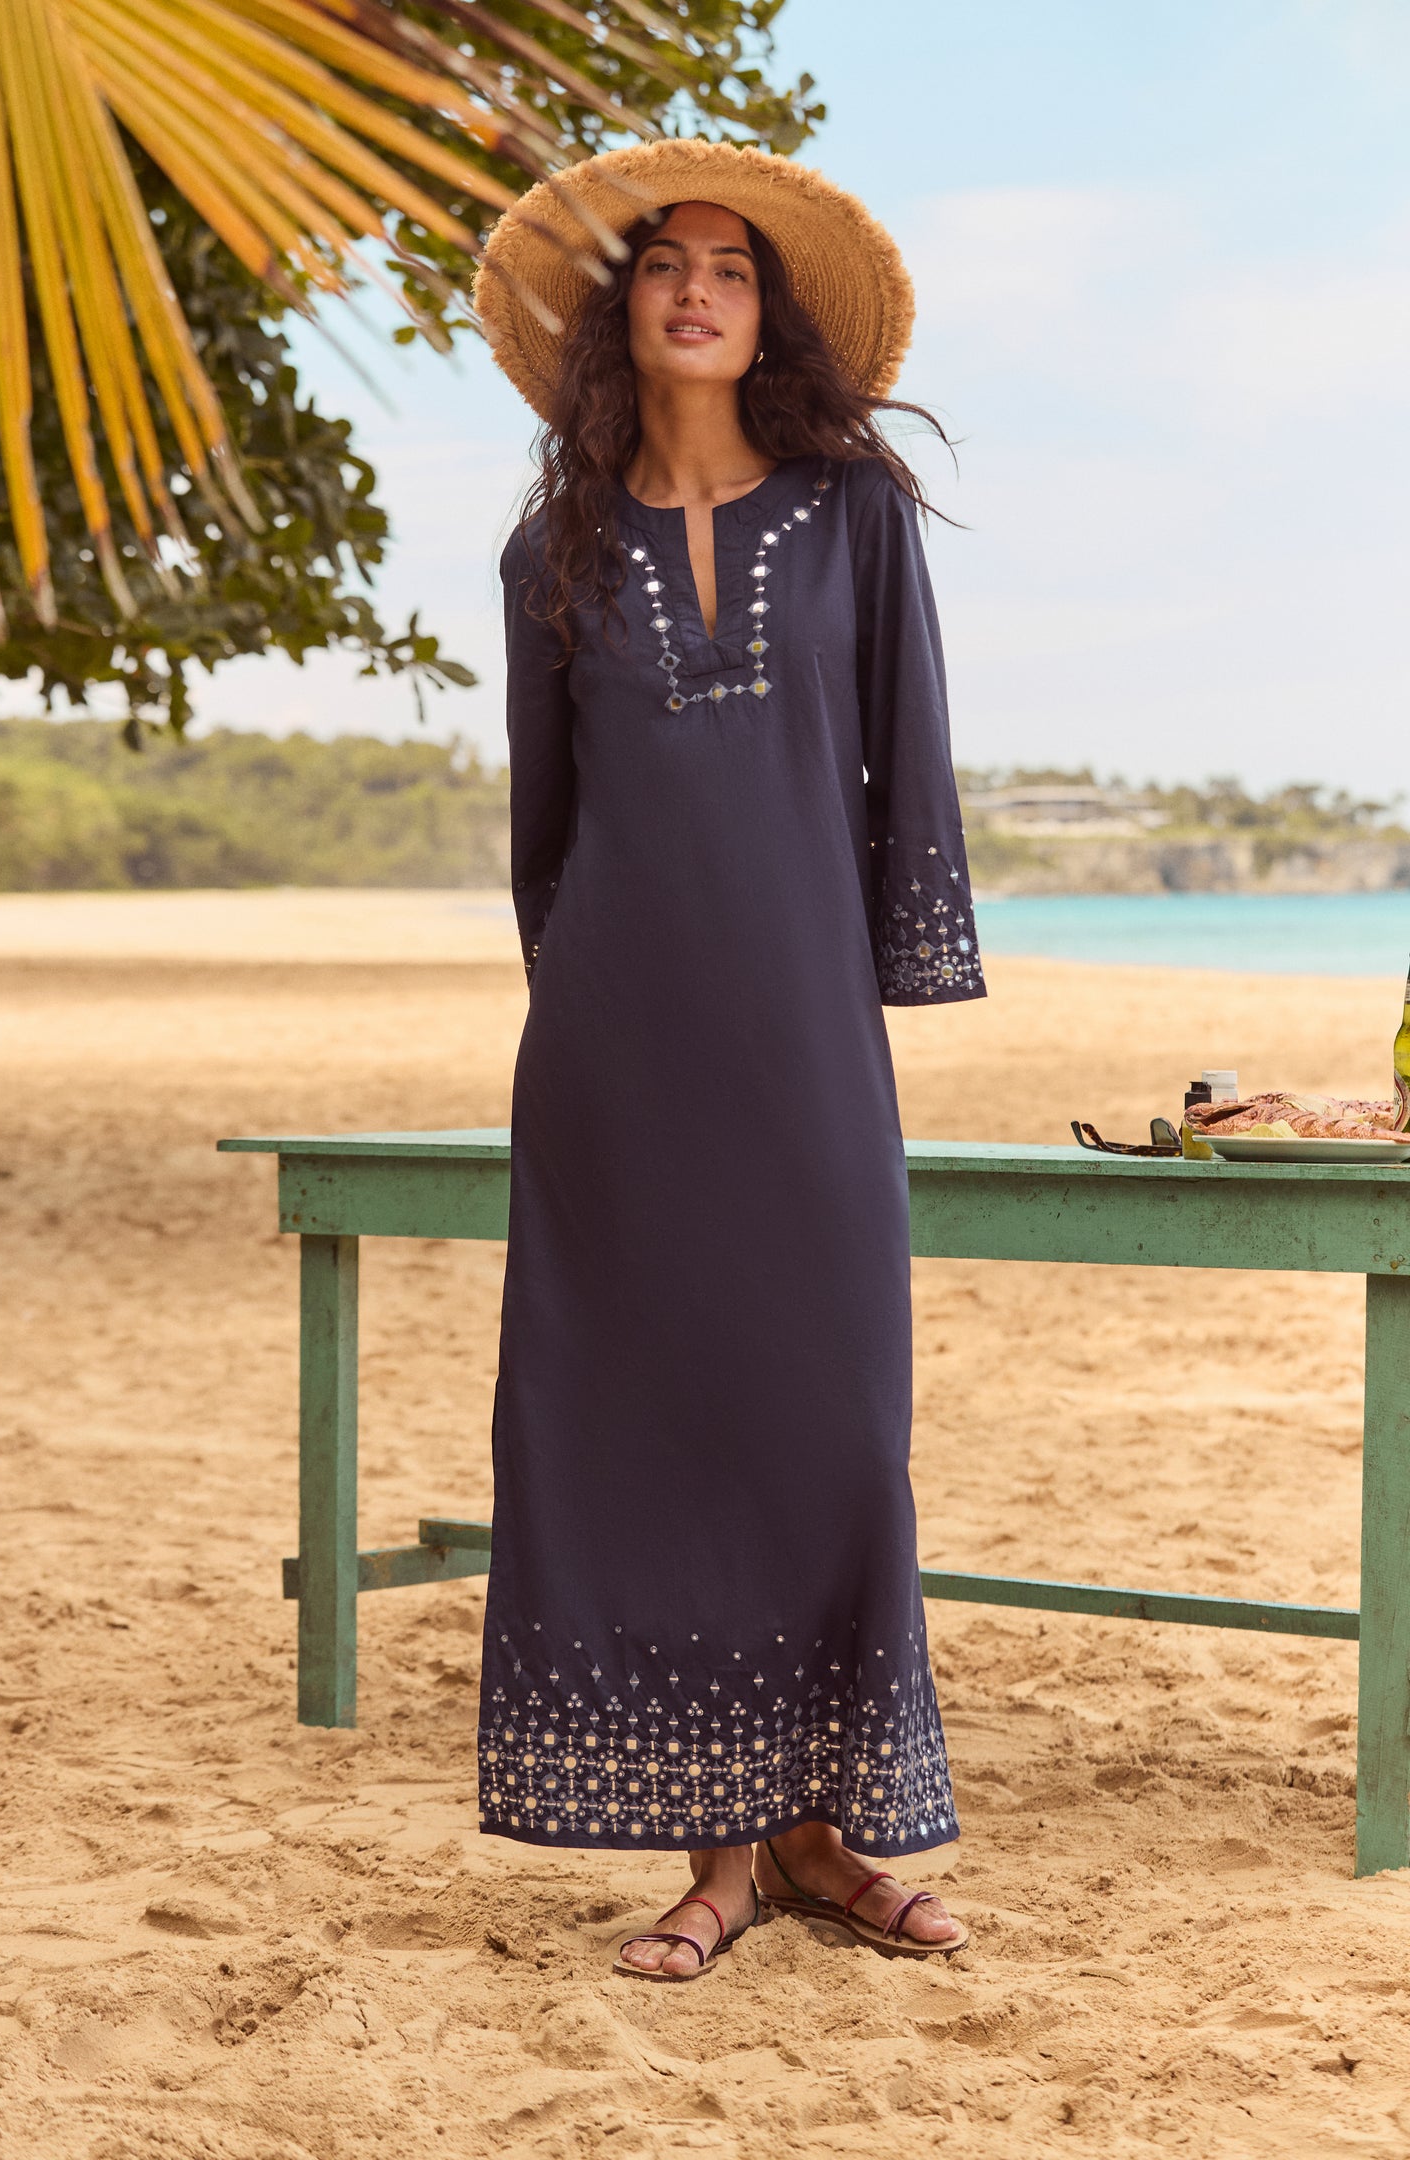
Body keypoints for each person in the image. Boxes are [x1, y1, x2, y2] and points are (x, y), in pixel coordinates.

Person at [472, 140, 985, 1981]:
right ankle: (722, 1863)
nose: (697, 288)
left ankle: (833, 1845)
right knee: (652, 1433)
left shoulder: (851, 515)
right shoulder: (554, 550)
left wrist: (896, 967)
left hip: (804, 1039)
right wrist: (595, 1002)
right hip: (616, 1054)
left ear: (766, 317)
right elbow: (549, 838)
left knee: (831, 1423)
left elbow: (904, 758)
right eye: (666, 265)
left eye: (733, 269)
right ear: (624, 310)